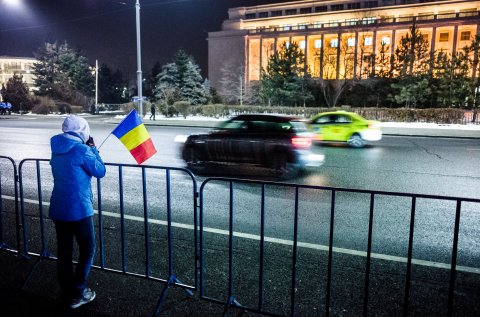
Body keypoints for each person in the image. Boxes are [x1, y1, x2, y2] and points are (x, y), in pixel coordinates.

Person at [49, 115, 106, 309]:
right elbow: (100, 171)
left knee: (64, 252)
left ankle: (66, 291)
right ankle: (77, 292)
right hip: (79, 209)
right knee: (88, 249)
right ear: (82, 131)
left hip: (58, 207)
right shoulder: (82, 150)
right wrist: (93, 149)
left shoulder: (56, 148)